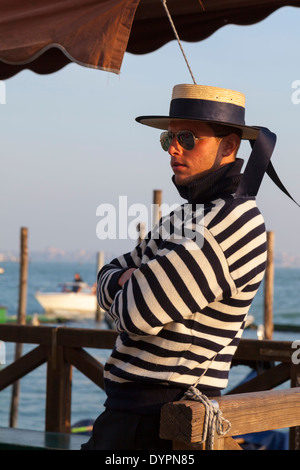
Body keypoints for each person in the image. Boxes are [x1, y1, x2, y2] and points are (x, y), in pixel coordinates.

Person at [81, 84, 278, 450]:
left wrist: (129, 280)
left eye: (187, 138)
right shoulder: (185, 215)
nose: (173, 148)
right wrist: (128, 279)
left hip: (166, 421)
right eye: (168, 138)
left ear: (229, 146)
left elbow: (136, 311)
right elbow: (107, 275)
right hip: (129, 415)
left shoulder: (232, 221)